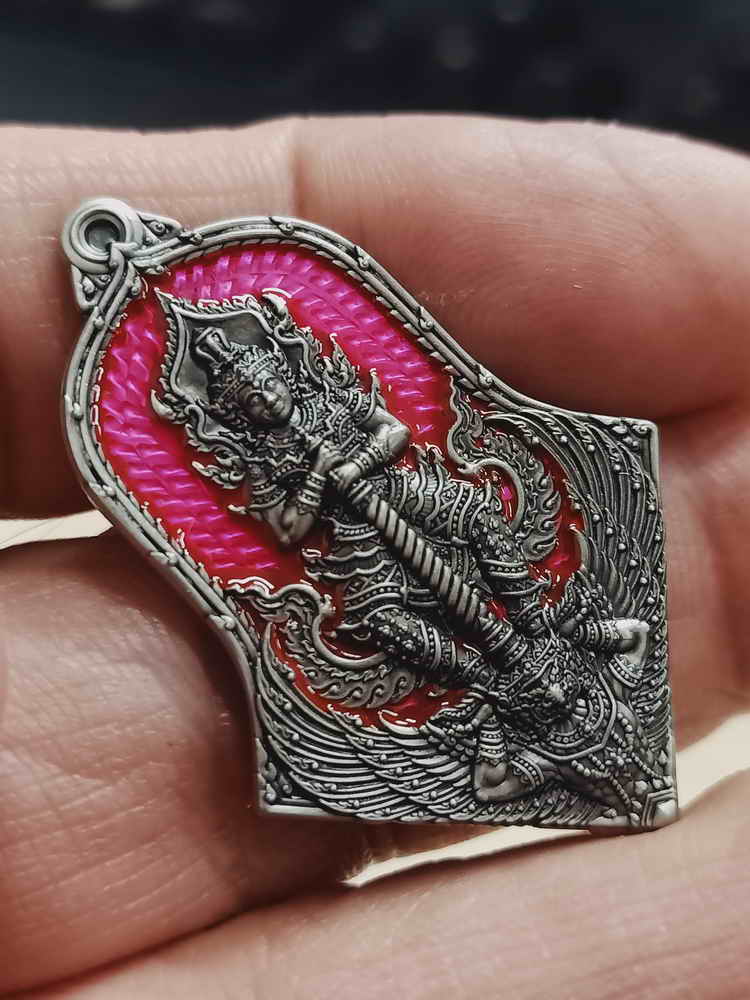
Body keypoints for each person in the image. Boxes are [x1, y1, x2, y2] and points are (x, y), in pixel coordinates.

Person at [1, 115, 748, 998]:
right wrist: (321, 484)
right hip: (354, 540)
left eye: (262, 378)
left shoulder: (329, 395)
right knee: (385, 620)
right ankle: (496, 685)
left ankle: (559, 625)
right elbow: (286, 529)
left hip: (408, 489)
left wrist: (348, 462)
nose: (259, 393)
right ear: (228, 410)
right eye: (243, 395)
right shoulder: (252, 458)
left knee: (479, 517)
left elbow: (393, 430)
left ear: (281, 366)